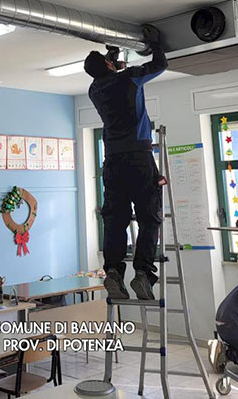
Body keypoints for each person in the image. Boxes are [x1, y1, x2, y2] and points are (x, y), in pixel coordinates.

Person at [84, 26, 168, 300]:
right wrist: (155, 43)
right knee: (149, 216)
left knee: (115, 219)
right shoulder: (129, 78)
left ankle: (113, 271)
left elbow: (110, 74)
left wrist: (112, 59)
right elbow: (160, 64)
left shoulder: (94, 89)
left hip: (112, 160)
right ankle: (143, 273)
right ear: (109, 65)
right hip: (138, 157)